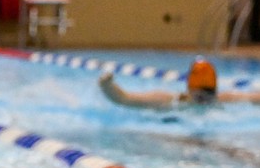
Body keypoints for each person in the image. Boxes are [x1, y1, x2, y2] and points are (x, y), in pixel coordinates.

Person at [98, 58, 260, 109]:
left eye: (207, 95)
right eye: (199, 96)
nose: (203, 101)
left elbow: (255, 98)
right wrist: (107, 85)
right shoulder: (168, 100)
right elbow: (124, 99)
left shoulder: (225, 99)